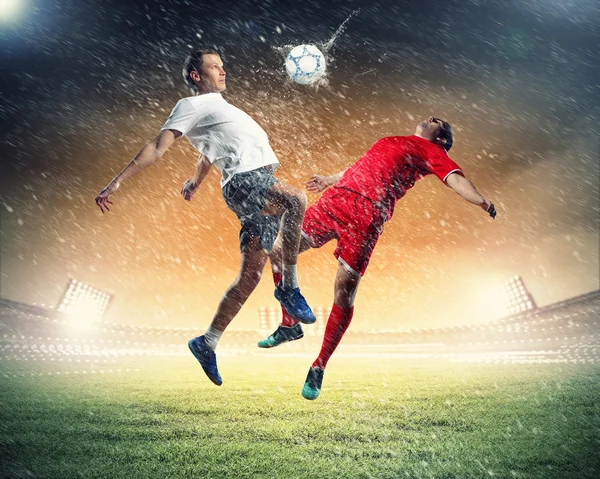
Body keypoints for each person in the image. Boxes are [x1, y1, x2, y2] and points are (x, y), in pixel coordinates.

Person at [95, 48, 316, 386]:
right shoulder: (190, 105)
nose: (222, 71)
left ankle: (207, 341)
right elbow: (156, 147)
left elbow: (210, 150)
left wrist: (195, 182)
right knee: (296, 198)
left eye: (222, 66)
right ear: (196, 76)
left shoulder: (216, 110)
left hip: (249, 183)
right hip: (247, 181)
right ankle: (290, 288)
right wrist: (116, 182)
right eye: (214, 67)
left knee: (251, 275)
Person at [259, 117, 497, 400]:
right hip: (336, 201)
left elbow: (456, 179)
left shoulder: (433, 152)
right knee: (276, 250)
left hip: (366, 217)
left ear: (442, 140)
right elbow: (360, 167)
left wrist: (482, 200)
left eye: (440, 122)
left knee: (344, 292)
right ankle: (290, 324)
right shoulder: (390, 140)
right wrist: (328, 180)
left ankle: (319, 365)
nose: (432, 118)